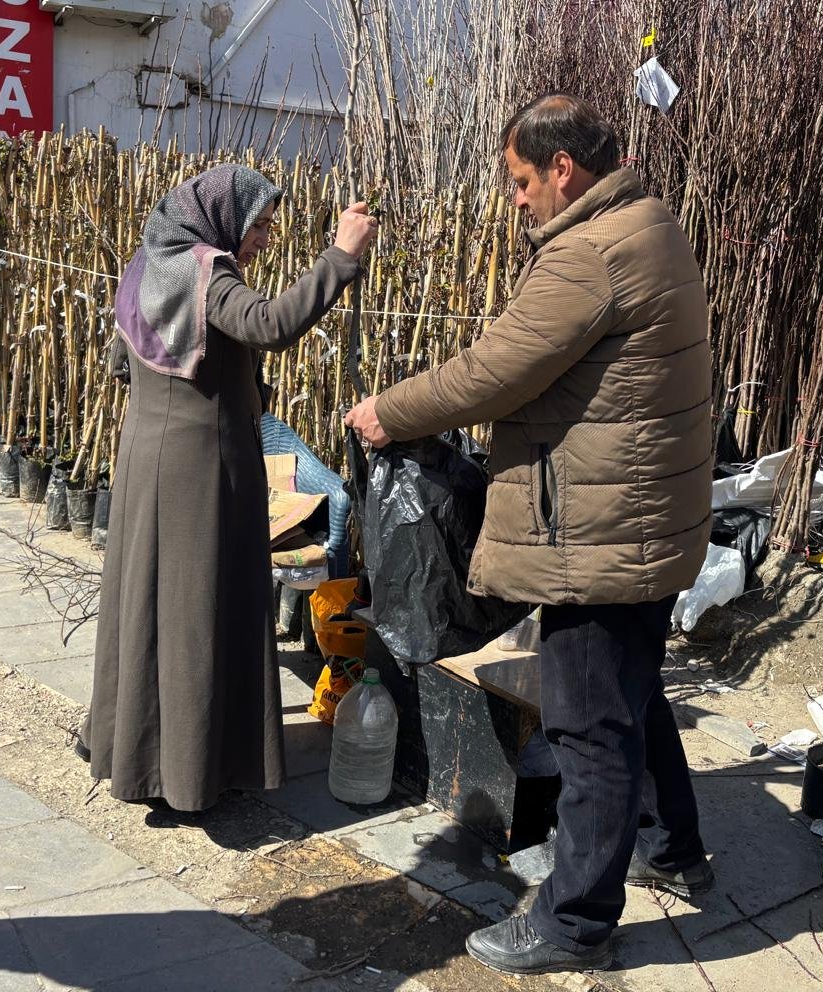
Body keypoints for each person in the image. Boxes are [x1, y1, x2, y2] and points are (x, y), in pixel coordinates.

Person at [346, 94, 713, 975]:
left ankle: (573, 921)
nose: (514, 197)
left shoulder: (588, 252)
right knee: (630, 696)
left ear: (563, 170)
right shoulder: (650, 222)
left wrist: (390, 412)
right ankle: (670, 845)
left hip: (597, 531)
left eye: (519, 180)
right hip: (642, 516)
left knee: (589, 726)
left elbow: (495, 371)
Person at [82, 165, 377, 815]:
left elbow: (120, 362)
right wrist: (341, 255)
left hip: (146, 459)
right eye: (258, 225)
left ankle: (137, 751)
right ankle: (189, 772)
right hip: (200, 472)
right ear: (221, 219)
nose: (264, 239)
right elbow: (269, 323)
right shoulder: (206, 273)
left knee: (150, 607)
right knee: (195, 615)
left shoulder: (147, 263)